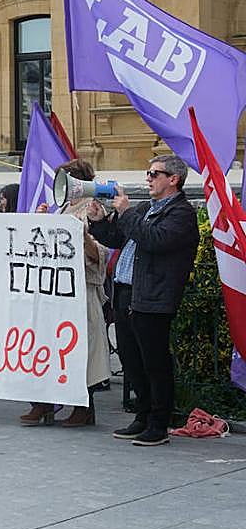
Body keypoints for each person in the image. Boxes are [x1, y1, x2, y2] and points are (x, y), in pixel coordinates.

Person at [89, 154, 198, 446]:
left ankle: (159, 424)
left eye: (154, 173)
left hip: (153, 296)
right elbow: (117, 239)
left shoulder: (181, 213)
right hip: (127, 294)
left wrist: (126, 214)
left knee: (154, 362)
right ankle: (143, 415)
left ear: (173, 180)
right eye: (148, 173)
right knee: (131, 359)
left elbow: (155, 240)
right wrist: (99, 222)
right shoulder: (145, 210)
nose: (148, 178)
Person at [21, 159, 113, 428]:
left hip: (81, 289)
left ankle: (83, 407)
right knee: (49, 346)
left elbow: (100, 252)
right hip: (57, 291)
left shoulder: (94, 208)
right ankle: (43, 402)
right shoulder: (63, 207)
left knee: (82, 348)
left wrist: (83, 237)